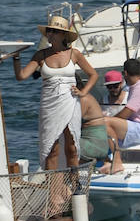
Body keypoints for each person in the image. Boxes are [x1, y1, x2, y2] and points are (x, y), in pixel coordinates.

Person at [14, 15, 95, 170]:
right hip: (49, 103)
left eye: (54, 31)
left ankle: (74, 182)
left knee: (71, 145)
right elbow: (22, 76)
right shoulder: (41, 55)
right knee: (52, 147)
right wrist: (16, 57)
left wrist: (83, 92)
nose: (50, 34)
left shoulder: (74, 53)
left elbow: (93, 74)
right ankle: (53, 186)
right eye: (49, 31)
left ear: (63, 34)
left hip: (70, 102)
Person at [95, 58, 140, 174]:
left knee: (104, 123)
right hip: (137, 127)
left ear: (125, 73)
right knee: (104, 124)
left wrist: (107, 120)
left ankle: (117, 163)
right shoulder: (136, 87)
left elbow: (125, 114)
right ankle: (108, 161)